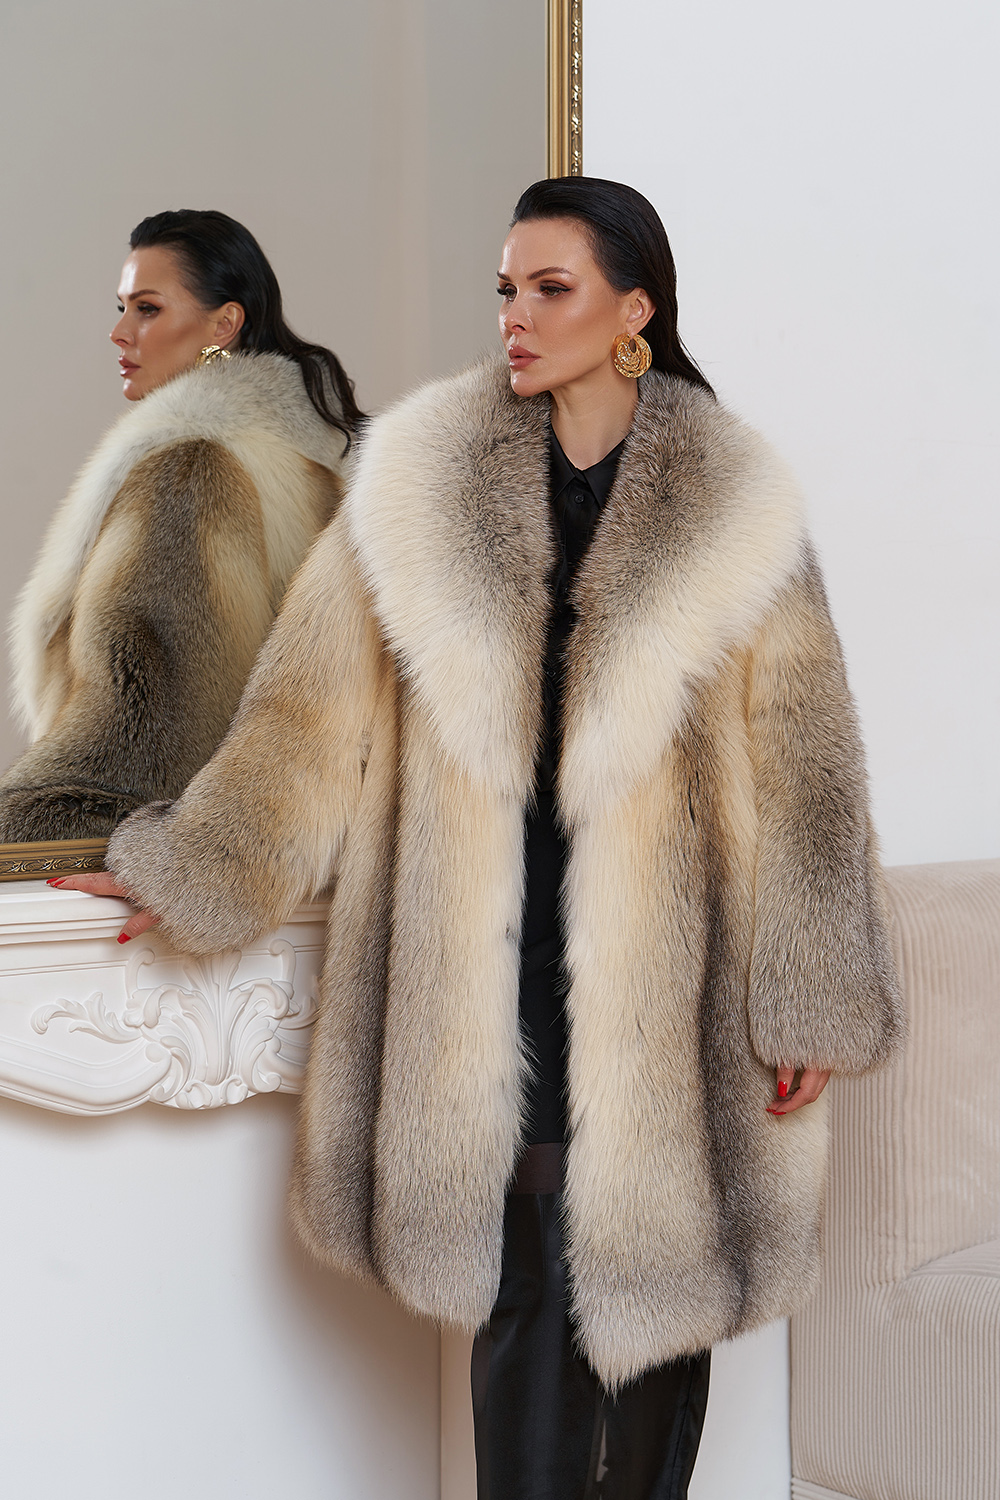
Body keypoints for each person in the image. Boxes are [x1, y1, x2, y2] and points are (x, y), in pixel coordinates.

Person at [53, 179, 902, 1498]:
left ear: (634, 311)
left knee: (660, 1292)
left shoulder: (734, 504)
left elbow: (809, 766)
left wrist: (810, 992)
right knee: (528, 1283)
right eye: (506, 288)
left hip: (672, 970)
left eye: (551, 289)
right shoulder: (415, 479)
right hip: (485, 962)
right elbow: (304, 717)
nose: (516, 314)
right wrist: (200, 863)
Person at [0, 208, 363, 842]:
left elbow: (144, 735)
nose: (119, 332)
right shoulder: (309, 465)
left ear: (224, 324)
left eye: (147, 309)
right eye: (122, 307)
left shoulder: (191, 472)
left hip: (162, 858)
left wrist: (27, 833)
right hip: (283, 850)